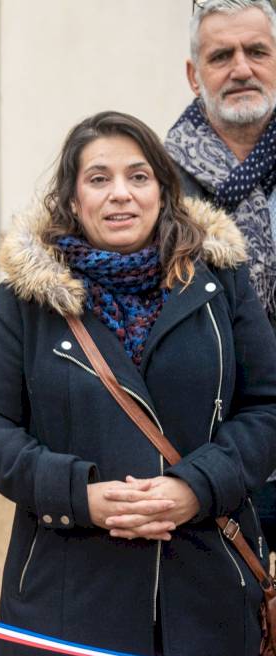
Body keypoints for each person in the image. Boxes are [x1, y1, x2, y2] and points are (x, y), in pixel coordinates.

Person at [0, 111, 276, 656]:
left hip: (205, 577)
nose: (121, 193)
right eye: (98, 178)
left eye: (138, 176)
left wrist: (196, 487)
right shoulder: (25, 303)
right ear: (74, 201)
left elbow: (267, 405)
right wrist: (80, 495)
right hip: (80, 585)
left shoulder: (222, 284)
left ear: (163, 190)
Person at [166, 0, 276, 568]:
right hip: (208, 453)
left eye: (257, 51)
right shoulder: (156, 184)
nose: (241, 68)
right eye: (220, 56)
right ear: (194, 74)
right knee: (227, 639)